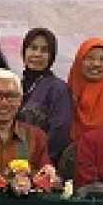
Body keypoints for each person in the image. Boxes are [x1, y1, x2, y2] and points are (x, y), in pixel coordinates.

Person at [17, 28, 72, 160]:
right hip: (11, 160)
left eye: (44, 50)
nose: (37, 54)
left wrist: (38, 160)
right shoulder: (16, 85)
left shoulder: (58, 89)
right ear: (24, 51)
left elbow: (59, 132)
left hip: (40, 163)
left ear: (51, 56)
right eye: (33, 48)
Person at [67, 37, 103, 141]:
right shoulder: (63, 95)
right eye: (90, 58)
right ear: (79, 61)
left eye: (102, 60)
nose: (96, 64)